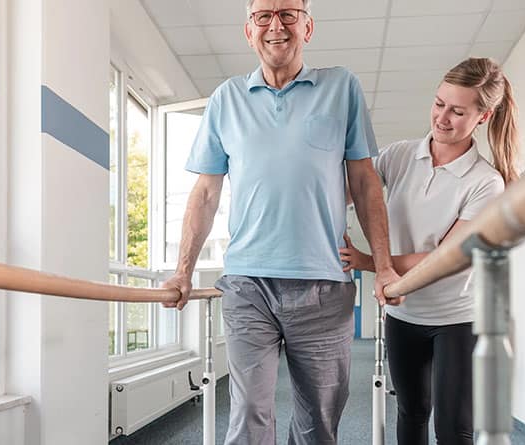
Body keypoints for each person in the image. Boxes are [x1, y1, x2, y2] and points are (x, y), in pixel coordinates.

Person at [158, 0, 401, 444]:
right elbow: (206, 193)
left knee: (319, 420)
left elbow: (365, 183)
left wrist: (383, 266)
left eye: (288, 13)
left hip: (324, 284)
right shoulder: (226, 99)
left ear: (308, 27)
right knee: (249, 411)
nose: (276, 25)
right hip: (249, 282)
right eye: (263, 15)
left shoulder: (341, 87)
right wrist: (182, 271)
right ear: (247, 30)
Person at [339, 57, 520, 444]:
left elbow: (446, 258)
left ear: (483, 117)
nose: (442, 117)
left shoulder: (485, 182)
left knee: (453, 428)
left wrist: (372, 264)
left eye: (457, 111)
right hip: (404, 314)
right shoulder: (399, 155)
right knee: (411, 412)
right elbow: (349, 193)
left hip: (458, 318)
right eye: (439, 103)